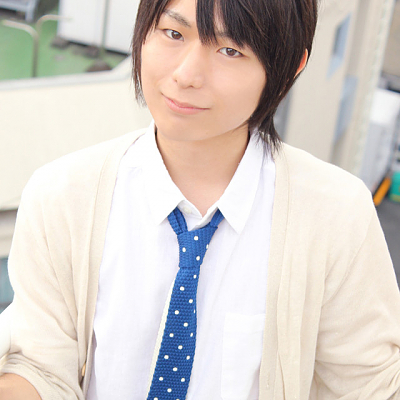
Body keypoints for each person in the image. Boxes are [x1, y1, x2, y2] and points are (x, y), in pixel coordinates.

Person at [1, 0, 400, 398]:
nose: (186, 75)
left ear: (290, 67)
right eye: (173, 33)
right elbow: (40, 368)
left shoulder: (336, 218)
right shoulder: (62, 196)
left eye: (230, 50)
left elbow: (371, 386)